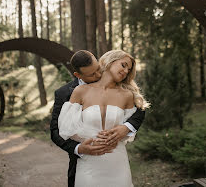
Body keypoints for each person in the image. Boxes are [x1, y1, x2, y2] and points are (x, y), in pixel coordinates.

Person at [50, 50, 146, 187]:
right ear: (110, 61)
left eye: (128, 69)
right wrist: (81, 147)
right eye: (123, 65)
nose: (125, 71)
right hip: (87, 161)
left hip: (117, 161)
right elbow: (59, 130)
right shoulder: (77, 91)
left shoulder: (127, 95)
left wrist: (126, 127)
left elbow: (139, 113)